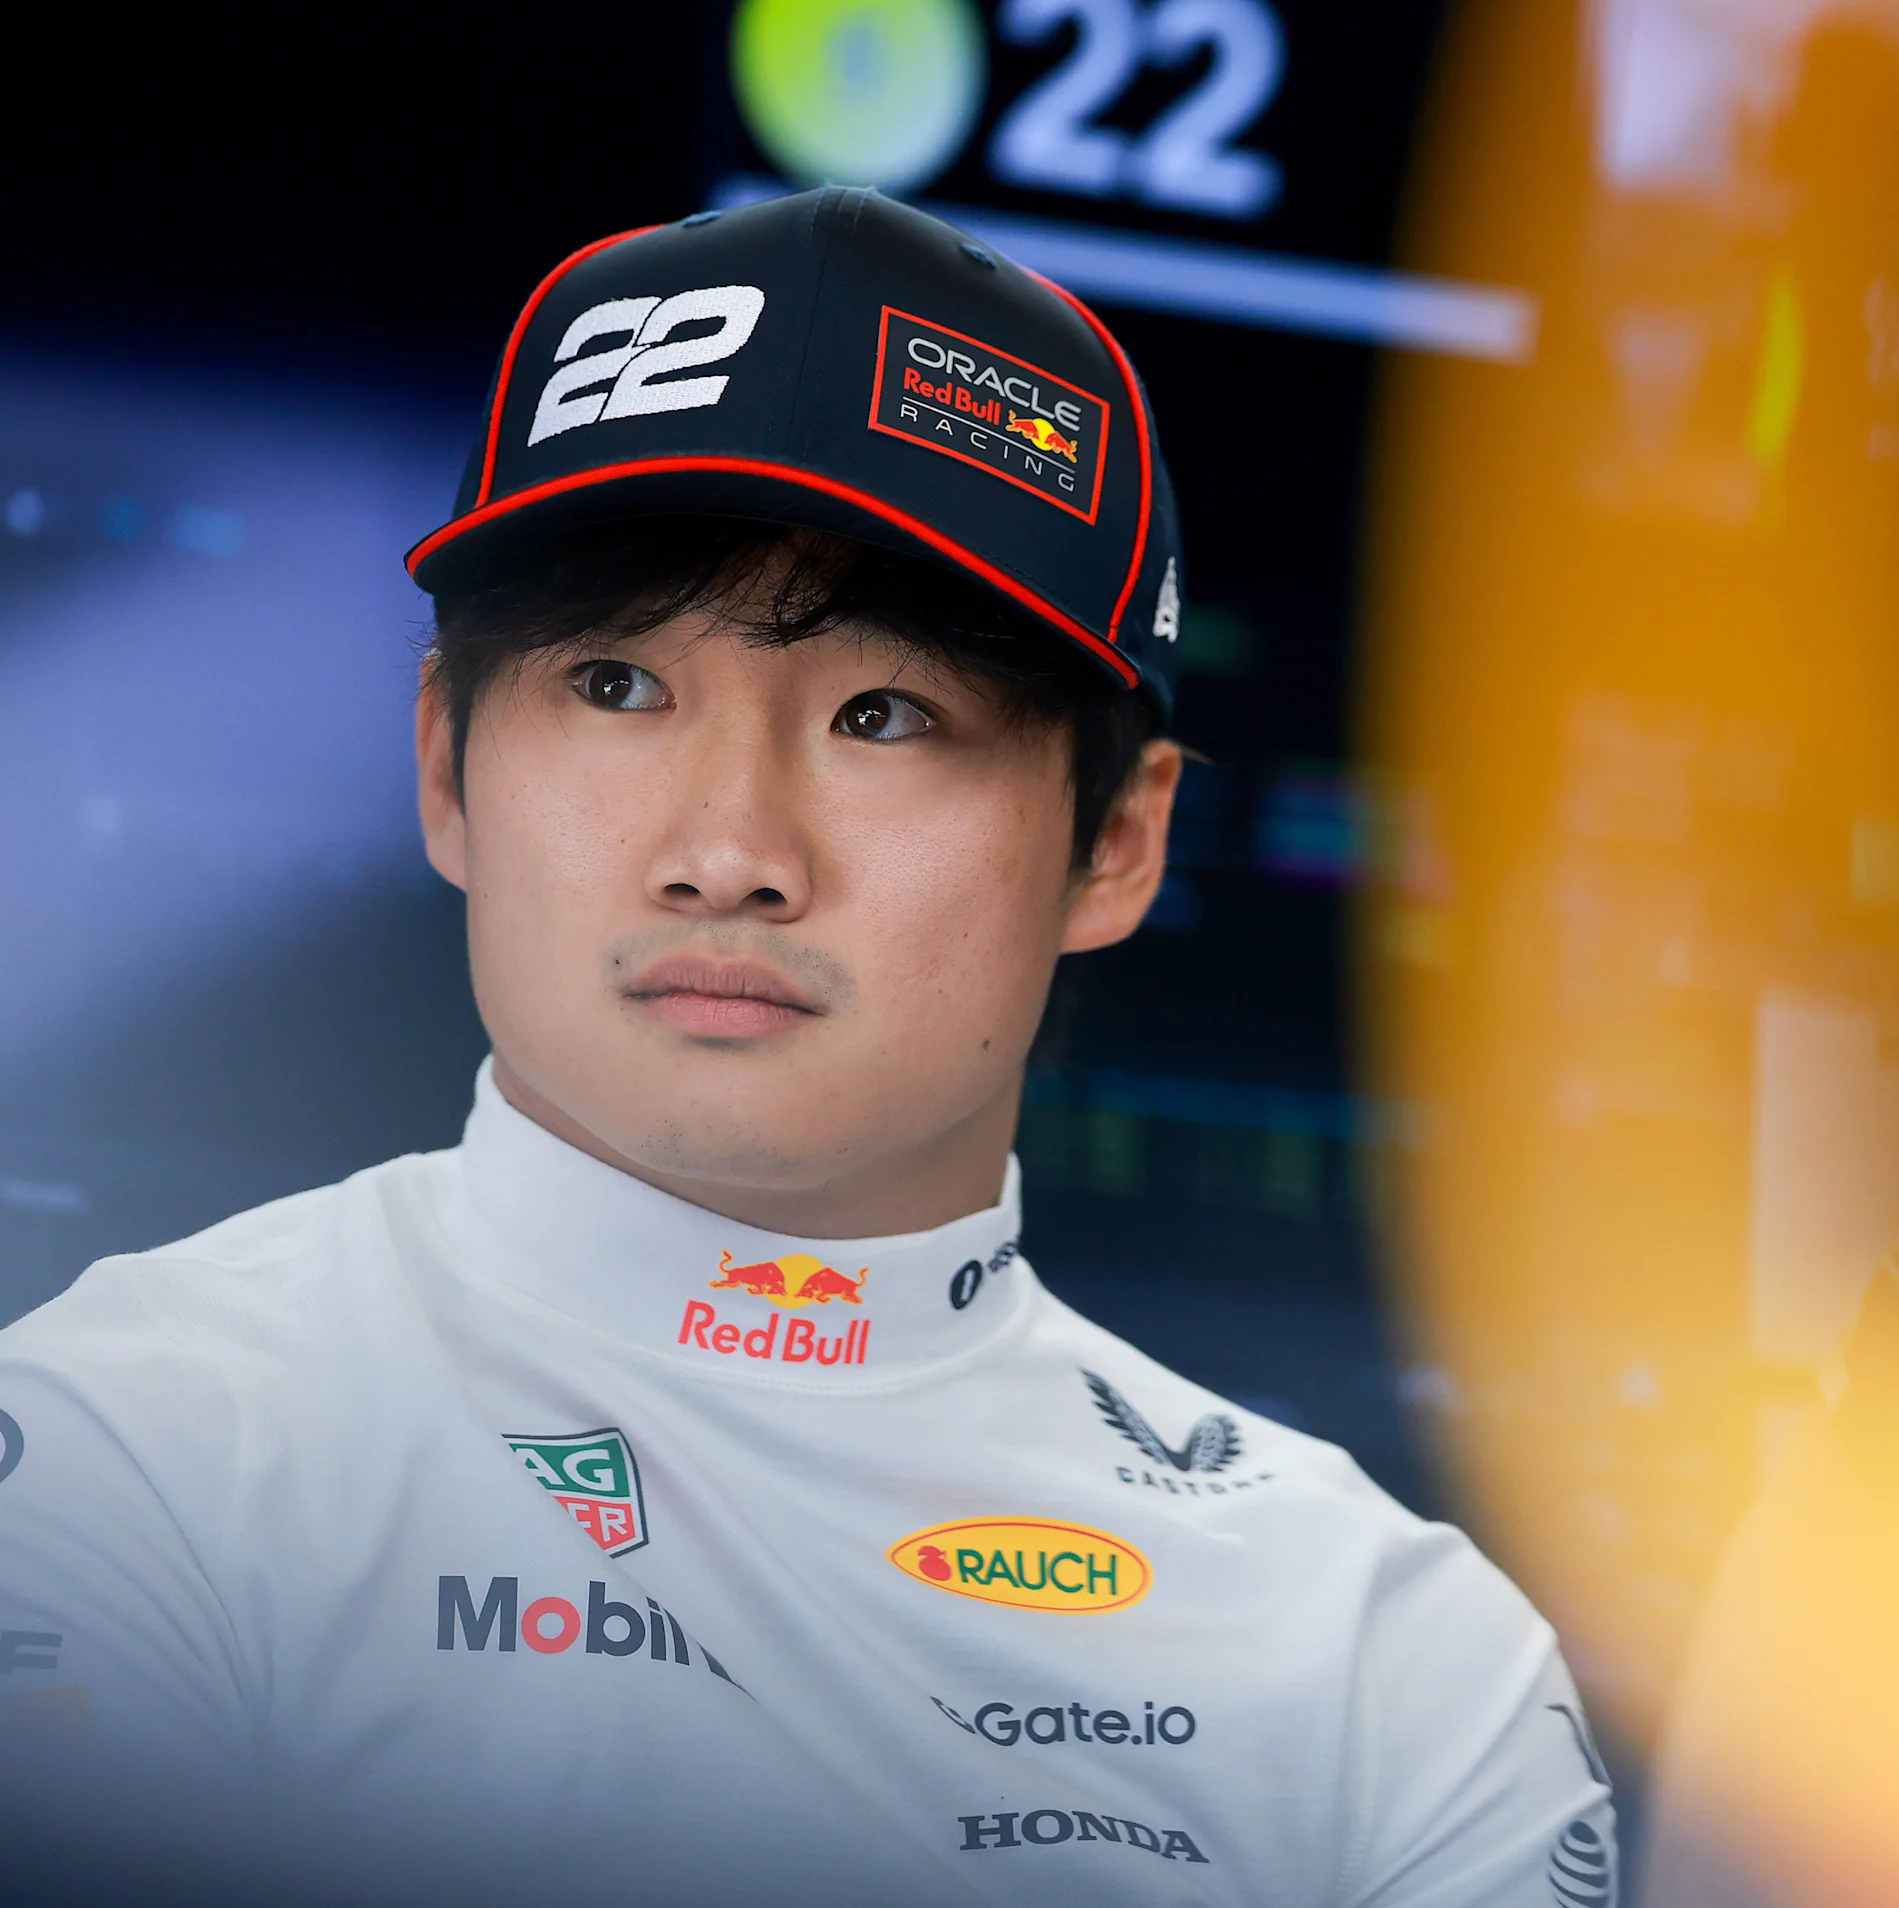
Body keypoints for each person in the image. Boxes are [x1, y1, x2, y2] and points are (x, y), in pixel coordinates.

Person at [0, 187, 1615, 1907]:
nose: (729, 850)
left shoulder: (1390, 1663)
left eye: (884, 715)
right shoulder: (122, 1452)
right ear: (446, 765)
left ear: (1118, 842)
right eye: (619, 684)